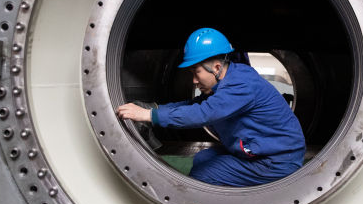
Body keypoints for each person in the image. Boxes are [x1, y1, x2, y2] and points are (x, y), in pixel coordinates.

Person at [116, 28, 305, 187]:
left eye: (196, 72)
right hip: (263, 151)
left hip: (276, 161)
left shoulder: (240, 86)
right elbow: (197, 104)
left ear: (216, 67)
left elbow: (202, 113)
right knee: (201, 159)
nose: (194, 81)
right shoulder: (229, 79)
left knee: (203, 176)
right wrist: (155, 108)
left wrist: (149, 115)